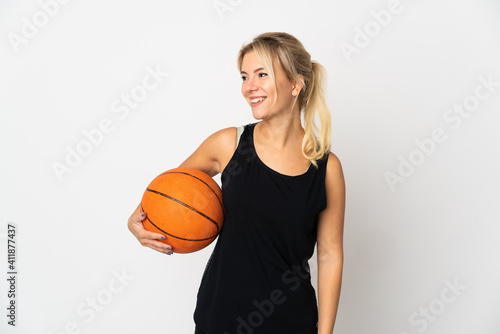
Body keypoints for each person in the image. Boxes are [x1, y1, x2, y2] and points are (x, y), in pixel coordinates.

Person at [128, 32, 345, 334]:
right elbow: (167, 193)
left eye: (261, 74)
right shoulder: (229, 144)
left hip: (292, 321)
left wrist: (326, 332)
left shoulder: (326, 168)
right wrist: (136, 221)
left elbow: (330, 254)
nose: (249, 87)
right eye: (244, 76)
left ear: (296, 84)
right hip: (221, 316)